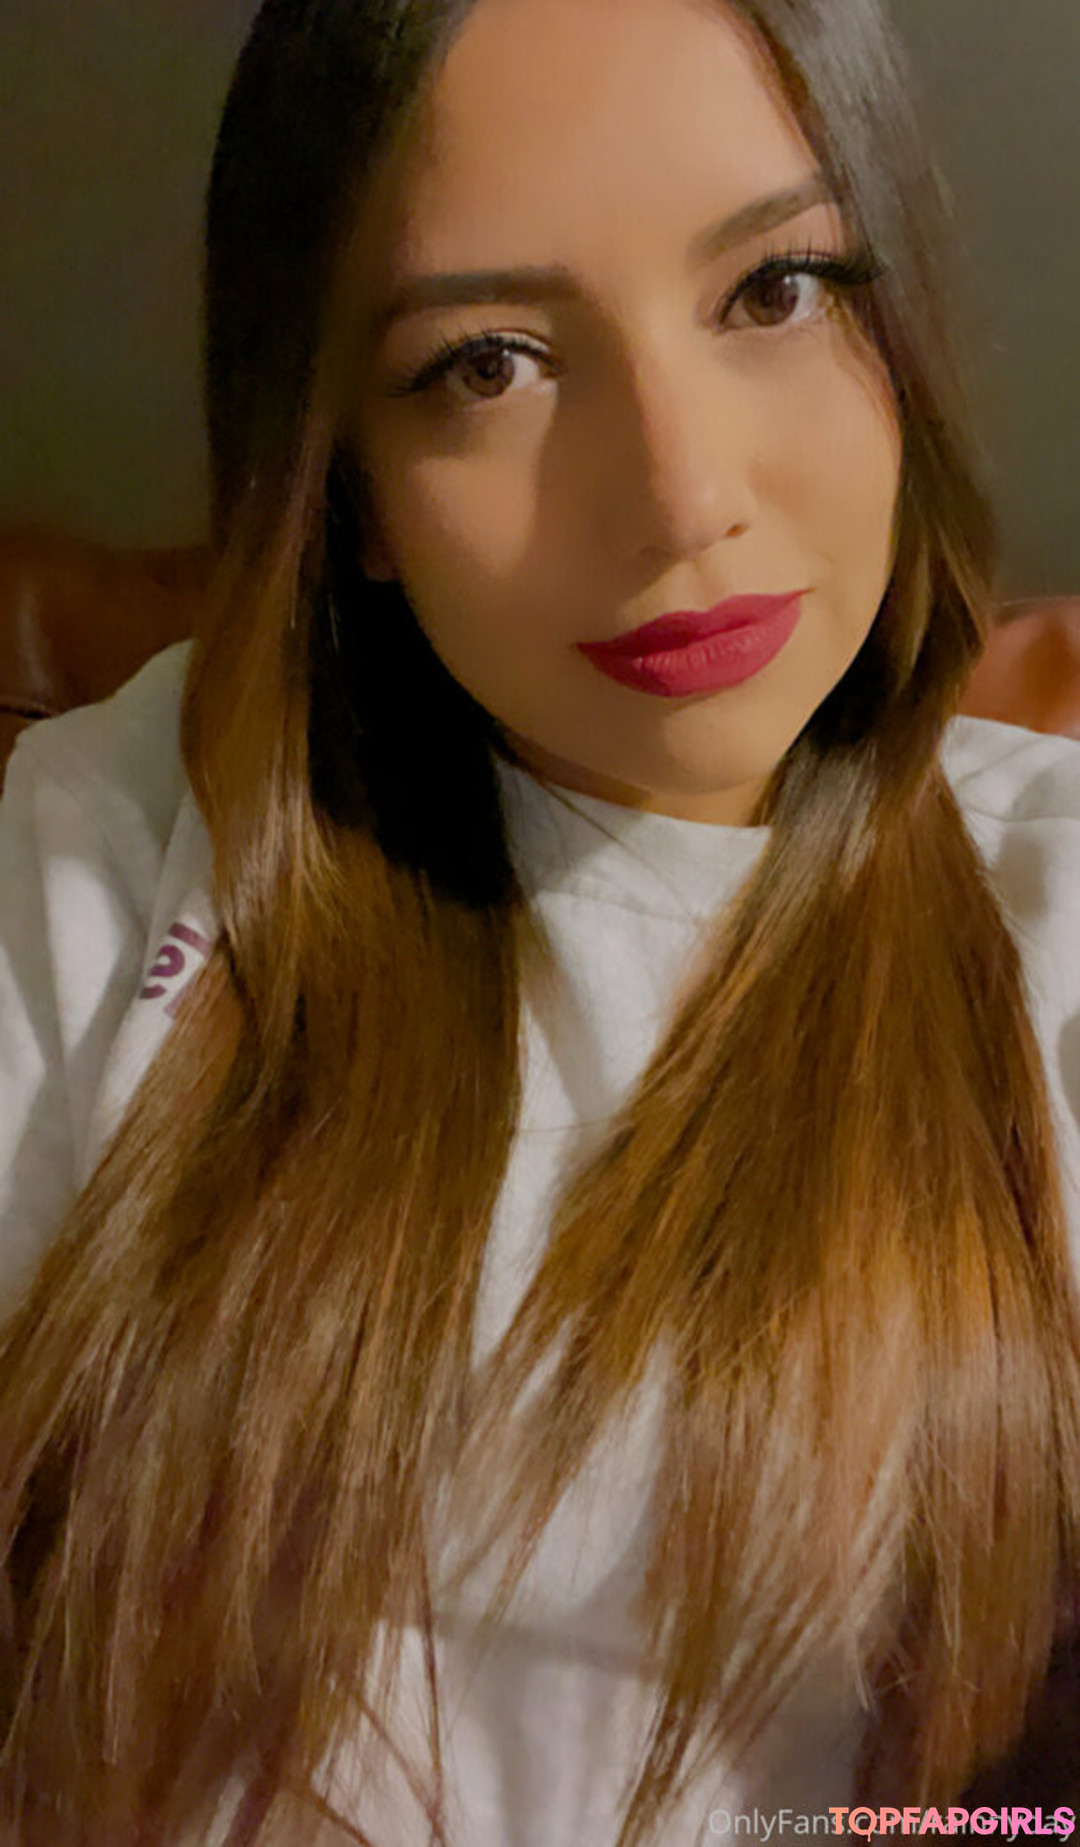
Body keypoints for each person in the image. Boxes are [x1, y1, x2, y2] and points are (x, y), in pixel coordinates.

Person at [1, 0, 1079, 1840]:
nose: (681, 498)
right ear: (346, 482)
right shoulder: (123, 841)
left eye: (777, 291)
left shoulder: (1047, 909)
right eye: (486, 363)